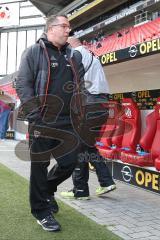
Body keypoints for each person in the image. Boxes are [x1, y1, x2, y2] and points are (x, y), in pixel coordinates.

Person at [16, 15, 86, 232]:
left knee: (70, 162)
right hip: (42, 120)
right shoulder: (34, 52)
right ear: (50, 28)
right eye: (64, 26)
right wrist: (35, 114)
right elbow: (23, 84)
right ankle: (41, 211)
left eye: (69, 27)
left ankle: (46, 190)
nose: (69, 30)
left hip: (68, 122)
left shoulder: (73, 56)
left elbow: (79, 87)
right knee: (39, 167)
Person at [60, 37, 116, 200]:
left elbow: (69, 78)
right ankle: (88, 187)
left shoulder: (76, 53)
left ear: (70, 45)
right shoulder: (93, 56)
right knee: (85, 146)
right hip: (102, 105)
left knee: (80, 146)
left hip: (88, 105)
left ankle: (90, 186)